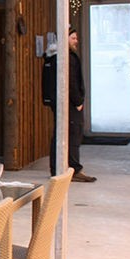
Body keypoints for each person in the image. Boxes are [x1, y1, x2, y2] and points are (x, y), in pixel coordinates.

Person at [42, 28, 96, 182]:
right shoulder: (66, 58)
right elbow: (70, 81)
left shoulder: (53, 56)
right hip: (68, 103)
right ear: (65, 39)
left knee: (60, 134)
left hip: (58, 102)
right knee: (73, 133)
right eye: (73, 38)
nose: (76, 41)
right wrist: (78, 101)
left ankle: (57, 168)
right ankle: (73, 169)